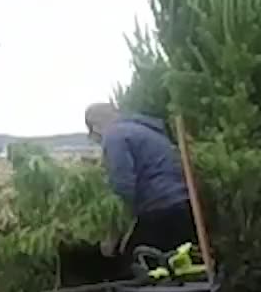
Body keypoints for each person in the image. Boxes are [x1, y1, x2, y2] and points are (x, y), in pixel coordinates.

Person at [84, 103, 197, 259]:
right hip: (183, 203)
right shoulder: (146, 129)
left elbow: (123, 185)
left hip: (158, 208)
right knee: (181, 264)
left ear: (95, 128)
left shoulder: (114, 136)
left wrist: (113, 234)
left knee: (136, 262)